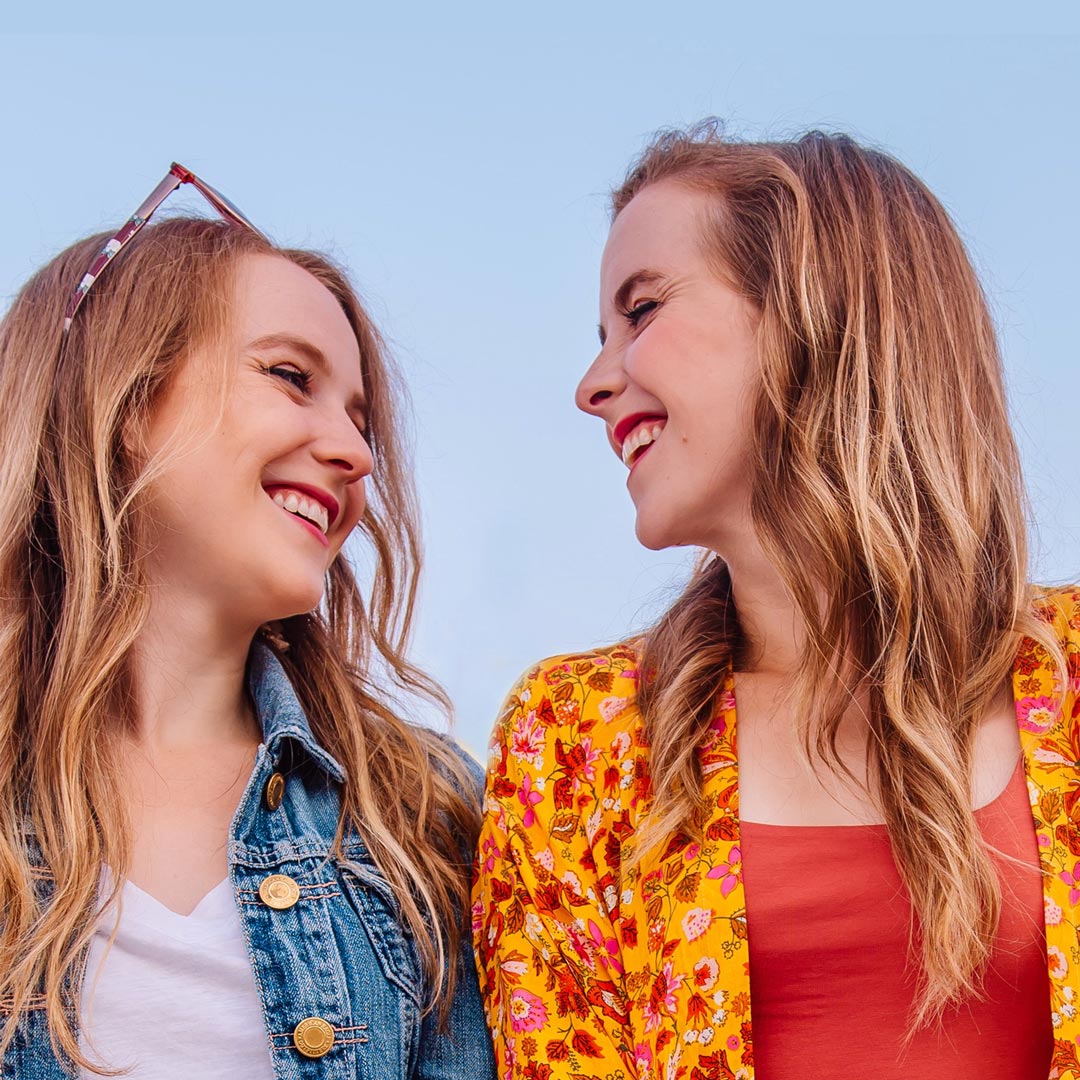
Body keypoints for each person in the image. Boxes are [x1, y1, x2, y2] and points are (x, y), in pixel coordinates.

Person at [472, 123, 1079, 1080]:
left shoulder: (1071, 671)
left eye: (642, 310)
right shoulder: (573, 740)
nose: (593, 386)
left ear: (814, 312)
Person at [0, 164, 496, 1079]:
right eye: (290, 377)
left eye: (360, 419)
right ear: (122, 400)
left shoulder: (425, 812)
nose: (356, 454)